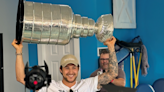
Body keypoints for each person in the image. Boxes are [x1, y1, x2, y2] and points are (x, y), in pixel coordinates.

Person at [12, 36, 118, 92]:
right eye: (67, 68)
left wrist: (111, 47)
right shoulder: (49, 86)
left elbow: (112, 74)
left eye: (73, 67)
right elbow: (21, 78)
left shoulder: (87, 85)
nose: (71, 72)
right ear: (60, 69)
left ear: (78, 69)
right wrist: (19, 51)